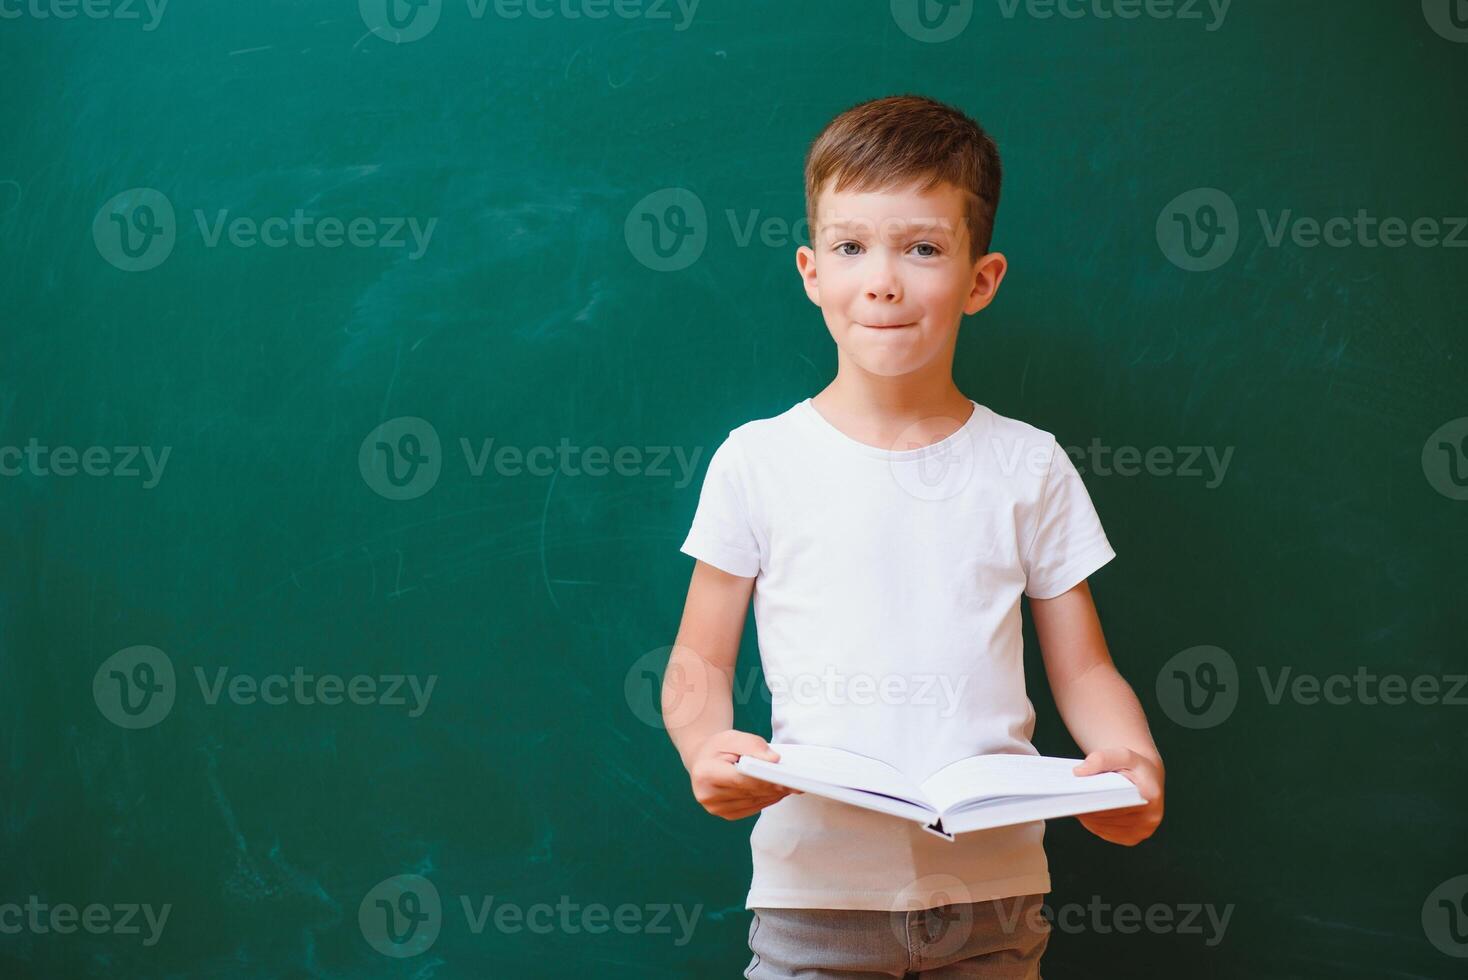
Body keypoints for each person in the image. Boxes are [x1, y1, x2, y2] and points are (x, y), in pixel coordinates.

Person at [665, 94, 1164, 978]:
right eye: (852, 247)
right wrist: (705, 745)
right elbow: (699, 659)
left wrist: (1126, 758)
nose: (883, 281)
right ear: (810, 270)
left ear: (981, 279)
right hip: (816, 900)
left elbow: (1083, 667)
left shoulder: (1030, 466)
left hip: (995, 899)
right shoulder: (758, 460)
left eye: (922, 248)